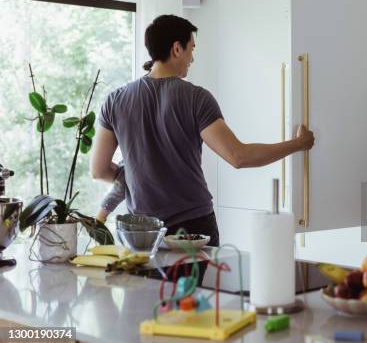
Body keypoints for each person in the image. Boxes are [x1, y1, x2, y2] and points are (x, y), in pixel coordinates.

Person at [90, 14, 314, 246]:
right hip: (192, 226)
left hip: (141, 232)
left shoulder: (115, 100)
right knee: (200, 285)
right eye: (191, 49)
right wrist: (298, 144)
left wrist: (142, 176)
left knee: (150, 284)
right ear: (177, 48)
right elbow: (238, 156)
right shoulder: (196, 98)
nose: (192, 58)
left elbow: (99, 170)